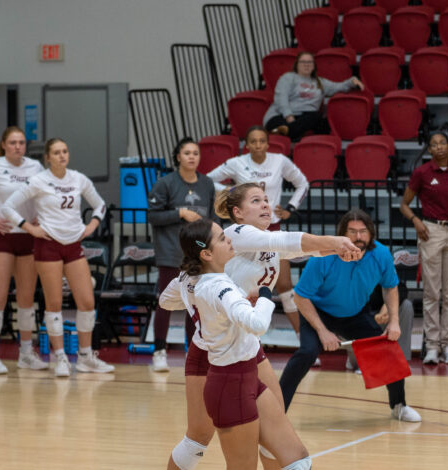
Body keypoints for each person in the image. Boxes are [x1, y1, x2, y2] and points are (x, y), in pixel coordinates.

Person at [163, 182, 360, 470]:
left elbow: (292, 248)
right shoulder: (234, 234)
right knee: (198, 439)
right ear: (238, 212)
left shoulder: (264, 240)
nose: (266, 204)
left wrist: (334, 249)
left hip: (247, 347)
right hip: (212, 352)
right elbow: (168, 300)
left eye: (267, 199)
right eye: (256, 201)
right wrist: (202, 294)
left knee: (274, 432)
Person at [161, 218, 312, 470]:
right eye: (222, 238)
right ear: (206, 253)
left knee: (298, 458)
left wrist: (205, 306)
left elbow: (166, 300)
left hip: (247, 372)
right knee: (222, 453)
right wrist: (265, 295)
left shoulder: (197, 279)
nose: (229, 239)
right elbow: (256, 324)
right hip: (228, 380)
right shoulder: (220, 287)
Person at [279, 209, 422, 422]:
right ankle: (277, 411)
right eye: (352, 231)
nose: (358, 237)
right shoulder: (323, 257)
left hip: (355, 314)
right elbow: (300, 297)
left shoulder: (381, 254)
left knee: (389, 351)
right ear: (342, 234)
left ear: (371, 233)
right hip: (320, 314)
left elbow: (391, 287)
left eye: (363, 231)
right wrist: (323, 331)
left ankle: (399, 405)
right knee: (307, 353)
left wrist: (394, 321)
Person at [3, 138, 114, 377]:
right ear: (47, 158)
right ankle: (61, 357)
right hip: (48, 245)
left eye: (65, 151)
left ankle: (85, 357)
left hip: (74, 245)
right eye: (56, 152)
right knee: (53, 304)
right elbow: (8, 207)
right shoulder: (39, 181)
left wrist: (92, 225)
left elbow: (100, 205)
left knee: (87, 302)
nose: (62, 155)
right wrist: (29, 228)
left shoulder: (78, 178)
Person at [207, 126, 309, 338]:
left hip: (271, 228)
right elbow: (208, 180)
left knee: (284, 286)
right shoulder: (237, 163)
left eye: (262, 140)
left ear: (268, 143)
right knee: (243, 286)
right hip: (246, 232)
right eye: (253, 141)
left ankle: (302, 339)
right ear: (247, 145)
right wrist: (231, 193)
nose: (258, 145)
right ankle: (240, 337)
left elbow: (303, 184)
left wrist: (290, 208)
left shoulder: (280, 160)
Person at [0, 127, 46, 374]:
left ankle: (26, 352)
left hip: (28, 237)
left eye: (22, 142)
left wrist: (41, 217)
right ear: (4, 145)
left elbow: (45, 195)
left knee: (26, 298)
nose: (18, 146)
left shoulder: (35, 167)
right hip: (2, 238)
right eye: (13, 142)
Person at [399, 131, 448, 365]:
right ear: (429, 149)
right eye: (434, 144)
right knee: (432, 292)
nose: (439, 147)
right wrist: (416, 220)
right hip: (431, 230)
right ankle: (432, 345)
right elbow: (404, 204)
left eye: (443, 143)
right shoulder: (422, 173)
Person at [148, 137, 217, 372]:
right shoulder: (165, 183)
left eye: (195, 153)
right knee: (165, 302)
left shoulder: (207, 184)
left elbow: (212, 220)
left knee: (196, 303)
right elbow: (154, 216)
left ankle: (193, 350)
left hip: (197, 253)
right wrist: (180, 213)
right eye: (187, 153)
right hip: (170, 251)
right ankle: (159, 351)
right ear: (178, 156)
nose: (191, 157)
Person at [263, 51, 364, 141]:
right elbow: (281, 99)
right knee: (278, 123)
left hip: (305, 117)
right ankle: (288, 131)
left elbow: (338, 86)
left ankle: (285, 132)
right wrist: (289, 117)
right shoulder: (288, 77)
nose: (306, 65)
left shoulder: (320, 82)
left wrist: (352, 81)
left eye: (310, 62)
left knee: (317, 117)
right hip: (281, 115)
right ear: (297, 64)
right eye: (303, 62)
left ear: (314, 66)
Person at [347, 281, 414, 372]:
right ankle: (364, 361)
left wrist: (387, 306)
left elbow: (401, 289)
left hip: (381, 320)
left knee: (406, 305)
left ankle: (399, 360)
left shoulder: (382, 268)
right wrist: (372, 317)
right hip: (360, 324)